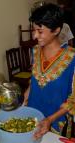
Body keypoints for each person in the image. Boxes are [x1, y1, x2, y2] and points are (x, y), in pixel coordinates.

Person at [23, 3, 75, 139]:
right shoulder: (35, 51)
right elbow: (35, 80)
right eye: (33, 30)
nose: (34, 36)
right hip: (33, 115)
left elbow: (73, 100)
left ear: (56, 30)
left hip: (57, 123)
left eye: (40, 31)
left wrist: (49, 120)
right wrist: (24, 98)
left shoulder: (72, 58)